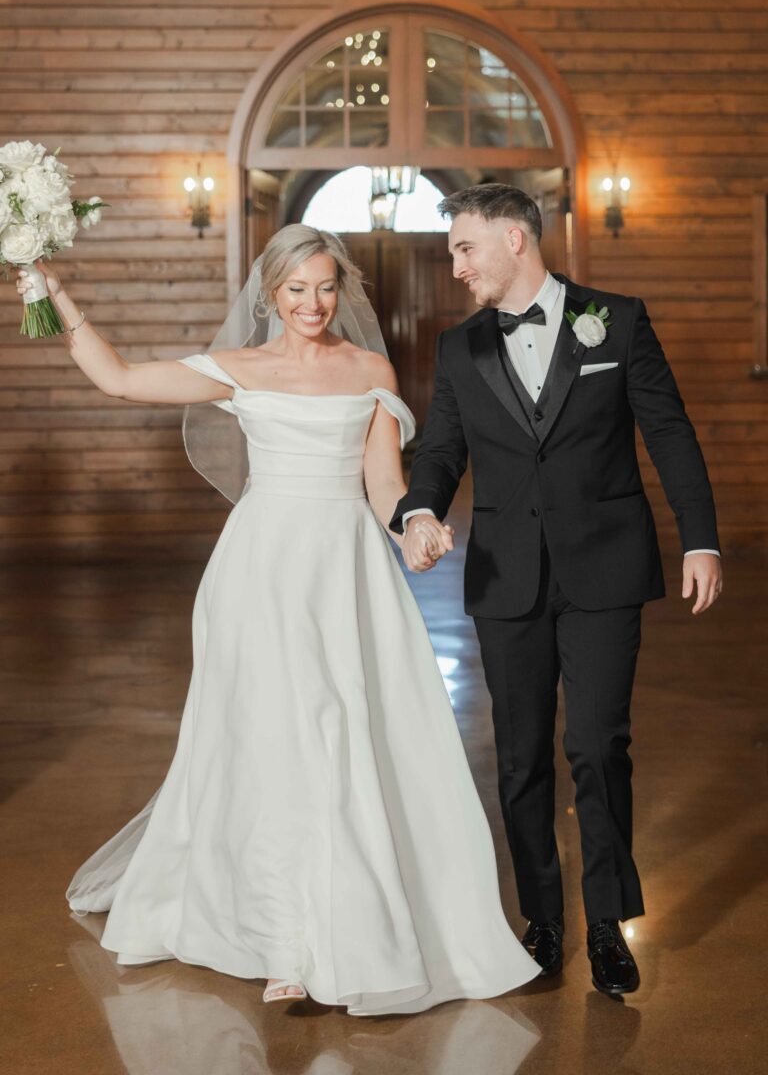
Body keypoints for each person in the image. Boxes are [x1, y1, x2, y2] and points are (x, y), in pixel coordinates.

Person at [15, 224, 540, 1015]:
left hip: (345, 574)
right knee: (272, 739)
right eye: (297, 290)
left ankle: (325, 924)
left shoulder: (369, 370)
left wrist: (418, 528)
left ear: (343, 291)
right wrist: (53, 291)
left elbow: (387, 487)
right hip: (259, 574)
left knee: (337, 731)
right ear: (270, 294)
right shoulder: (239, 369)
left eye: (326, 287)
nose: (313, 303)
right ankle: (281, 942)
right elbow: (119, 380)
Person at [391, 185, 722, 997]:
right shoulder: (461, 346)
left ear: (514, 239)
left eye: (466, 250)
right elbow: (440, 447)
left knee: (600, 745)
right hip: (508, 576)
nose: (458, 267)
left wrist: (701, 537)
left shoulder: (618, 320)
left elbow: (669, 431)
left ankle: (608, 923)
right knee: (520, 756)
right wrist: (421, 505)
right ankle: (541, 919)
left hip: (607, 567)